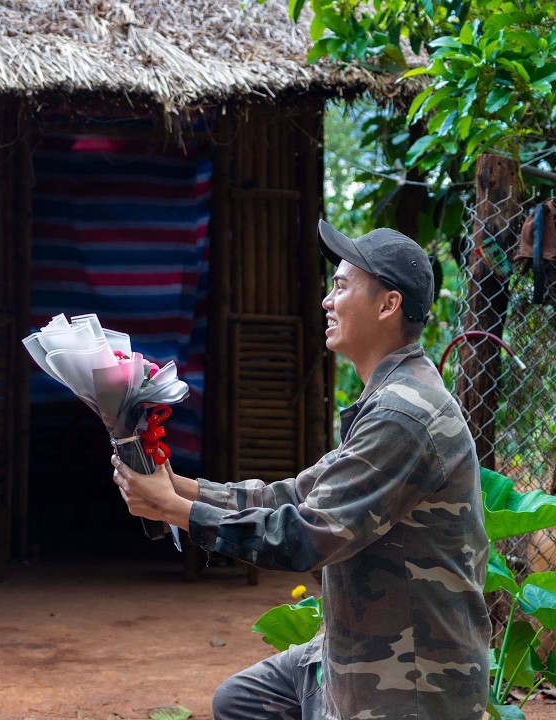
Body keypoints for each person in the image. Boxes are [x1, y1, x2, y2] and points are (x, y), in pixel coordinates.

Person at [110, 220, 490, 720]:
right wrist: (177, 485)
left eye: (341, 286)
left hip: (409, 684)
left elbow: (306, 536)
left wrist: (176, 511)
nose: (327, 301)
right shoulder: (392, 396)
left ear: (388, 305)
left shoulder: (404, 415)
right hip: (357, 651)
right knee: (242, 701)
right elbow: (295, 494)